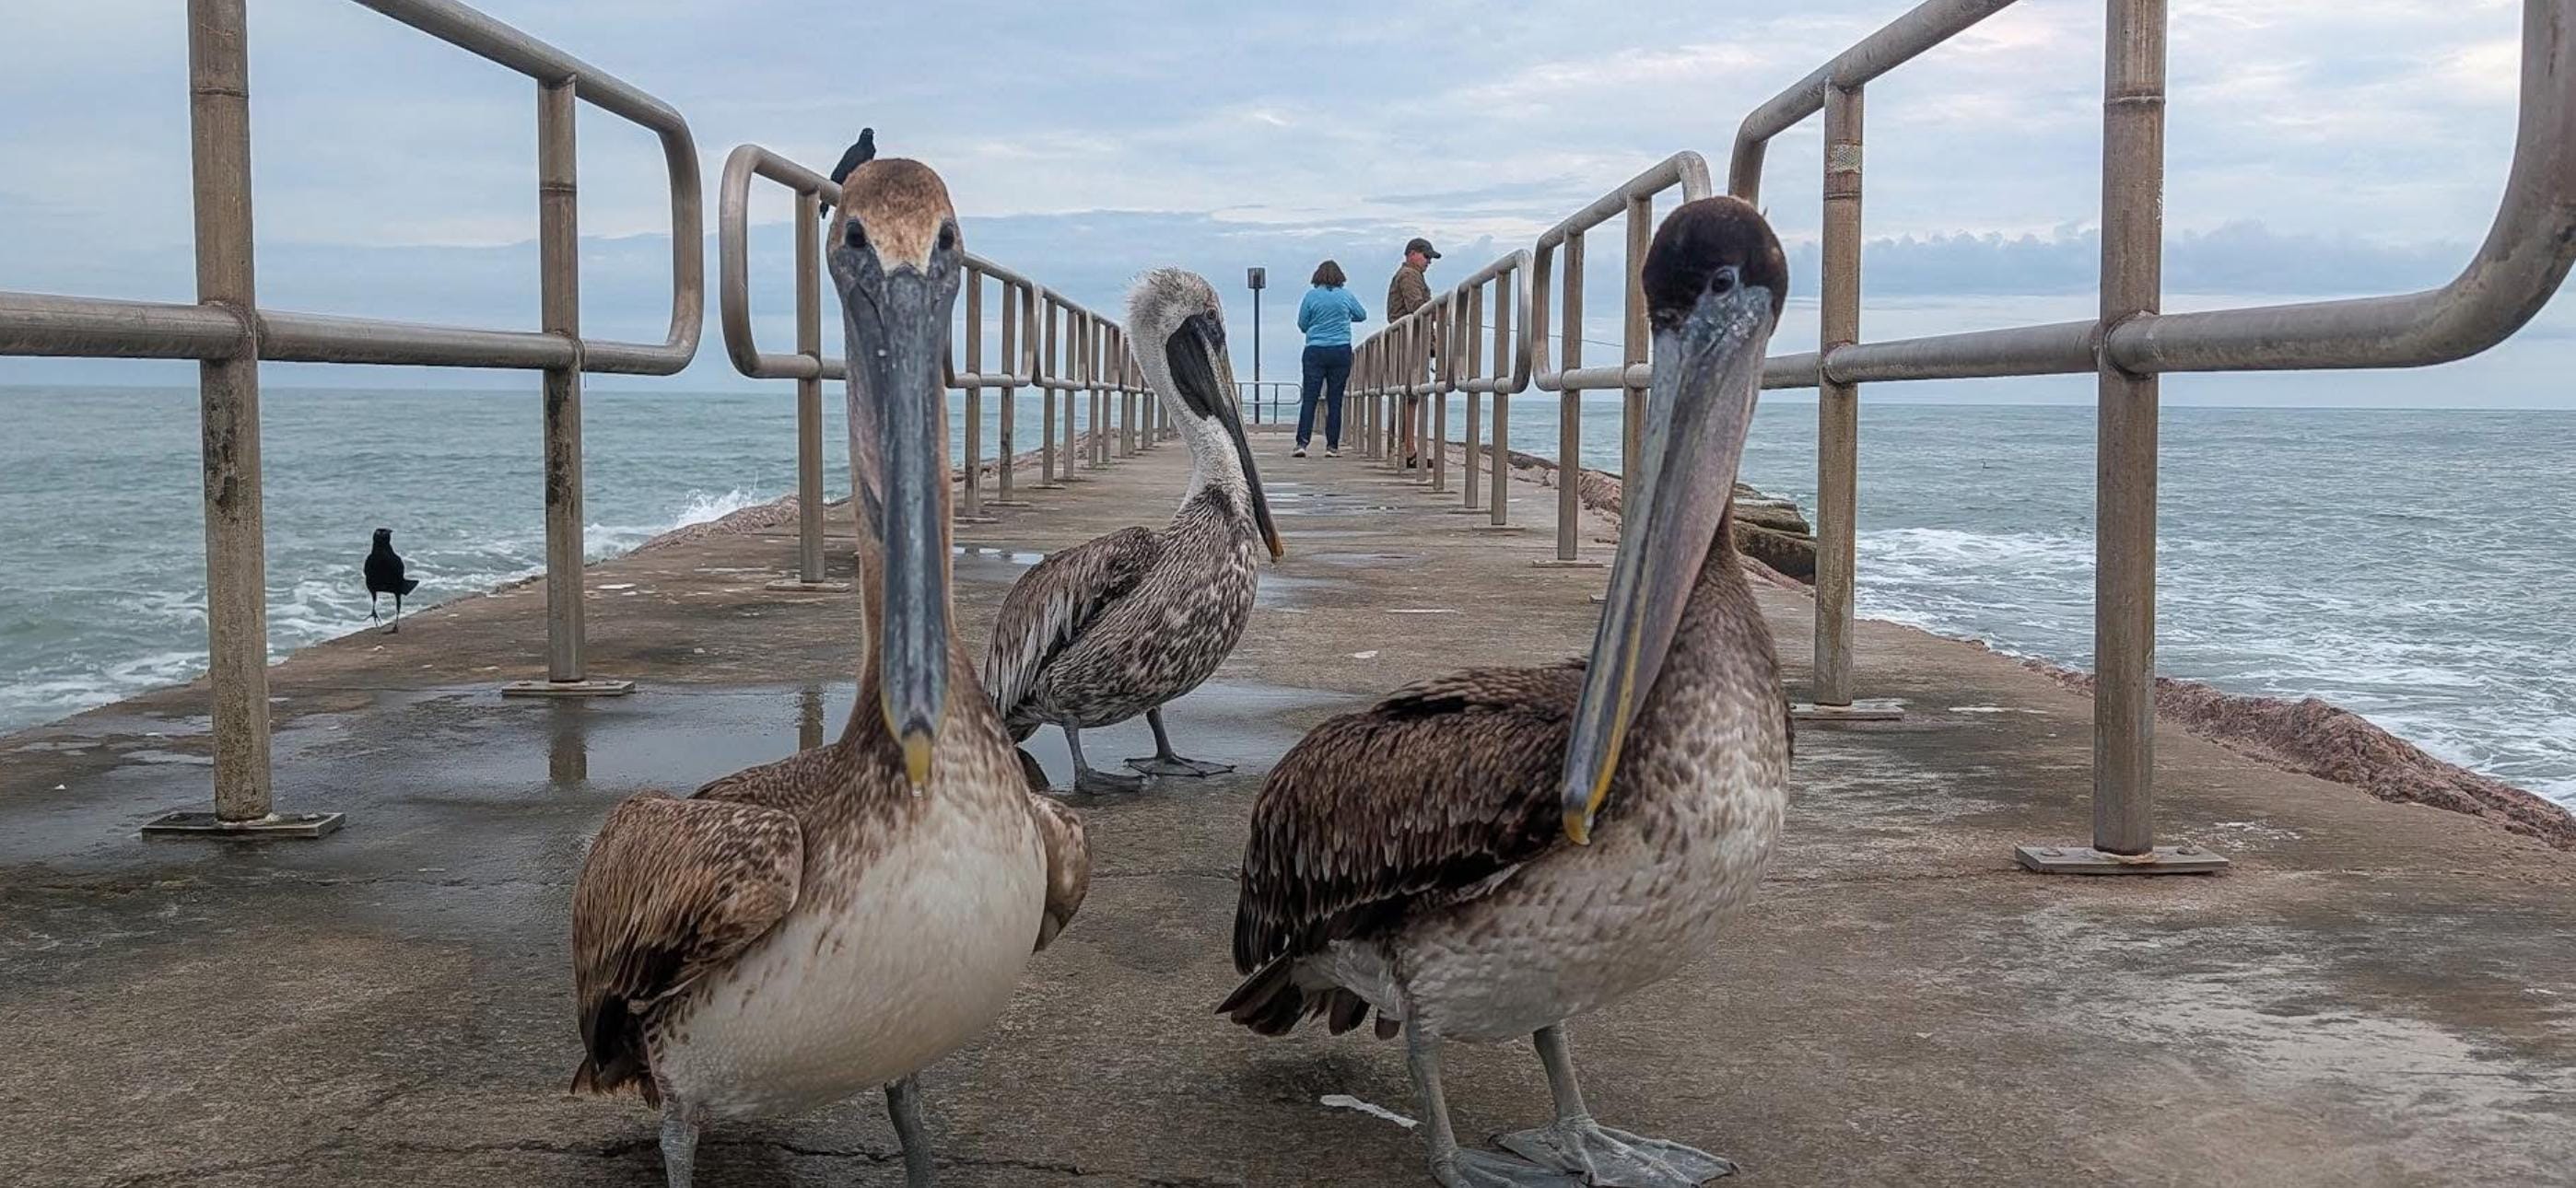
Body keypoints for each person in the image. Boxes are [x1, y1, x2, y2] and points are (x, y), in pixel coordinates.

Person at [1294, 261, 1366, 457]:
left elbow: (1302, 324)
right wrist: (1344, 317)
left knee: (1310, 398)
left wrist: (1317, 323)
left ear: (1317, 277)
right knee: (1335, 399)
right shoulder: (1346, 296)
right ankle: (1332, 446)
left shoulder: (1311, 296)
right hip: (1340, 350)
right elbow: (1362, 315)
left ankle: (1302, 443)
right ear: (1340, 277)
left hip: (1315, 350)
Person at [1385, 236, 1439, 467]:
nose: (1429, 261)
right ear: (1413, 254)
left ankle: (1408, 448)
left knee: (1411, 395)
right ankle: (1408, 450)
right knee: (1411, 394)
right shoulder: (1409, 275)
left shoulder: (1412, 275)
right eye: (1426, 256)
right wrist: (1444, 313)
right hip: (1409, 342)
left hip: (1410, 340)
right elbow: (1418, 308)